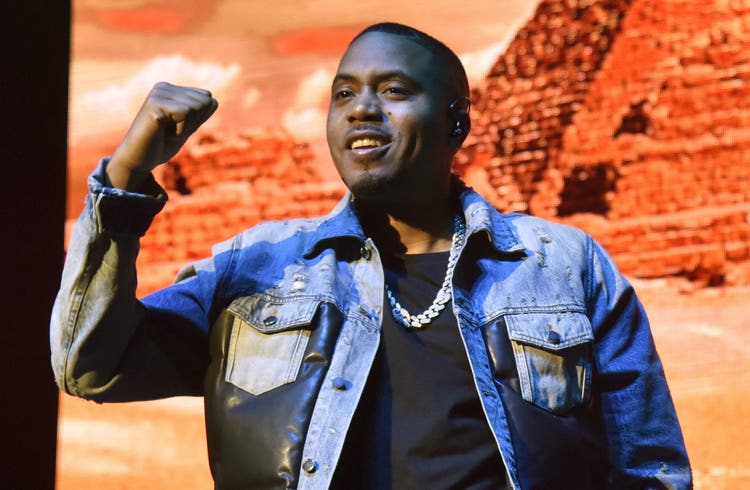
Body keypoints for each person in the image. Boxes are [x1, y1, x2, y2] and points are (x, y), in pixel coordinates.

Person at [51, 22, 692, 489]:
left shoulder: (564, 267)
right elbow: (90, 365)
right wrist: (126, 179)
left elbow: (649, 469)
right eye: (343, 93)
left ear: (457, 124)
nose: (362, 108)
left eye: (393, 90)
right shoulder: (256, 269)